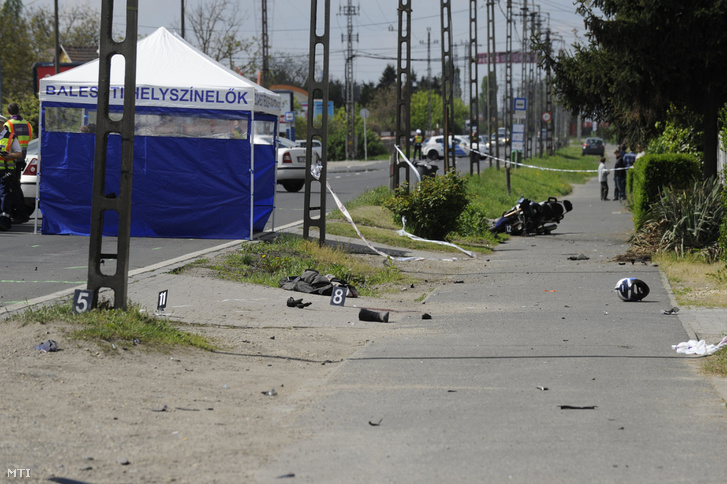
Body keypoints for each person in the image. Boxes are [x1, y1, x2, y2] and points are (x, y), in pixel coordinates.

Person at [2, 103, 33, 227]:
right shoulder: (27, 124)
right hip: (21, 158)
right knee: (16, 187)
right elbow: (29, 138)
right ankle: (19, 213)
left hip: (10, 160)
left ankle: (20, 214)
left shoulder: (8, 124)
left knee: (12, 188)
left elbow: (5, 140)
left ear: (8, 112)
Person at [0, 116, 26, 231]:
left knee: (4, 195)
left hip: (5, 171)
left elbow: (19, 153)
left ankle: (4, 221)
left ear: (1, 124)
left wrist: (9, 155)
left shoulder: (11, 137)